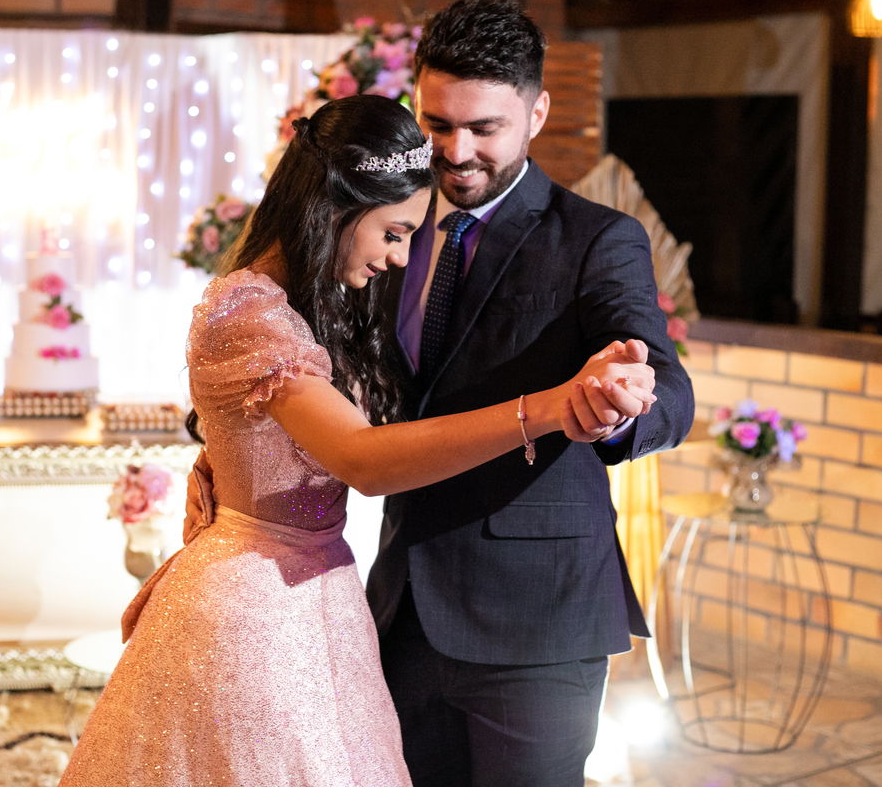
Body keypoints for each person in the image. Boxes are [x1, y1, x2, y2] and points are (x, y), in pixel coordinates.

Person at [58, 94, 655, 787]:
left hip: (326, 594)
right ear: (336, 209)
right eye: (394, 233)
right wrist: (548, 407)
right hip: (253, 609)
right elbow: (362, 459)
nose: (400, 257)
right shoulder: (246, 311)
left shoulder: (314, 307)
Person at [364, 0, 696, 787]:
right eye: (438, 124)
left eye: (485, 128)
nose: (457, 151)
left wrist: (620, 402)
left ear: (537, 113)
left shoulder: (596, 239)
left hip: (537, 627)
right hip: (403, 609)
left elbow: (670, 390)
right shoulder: (387, 228)